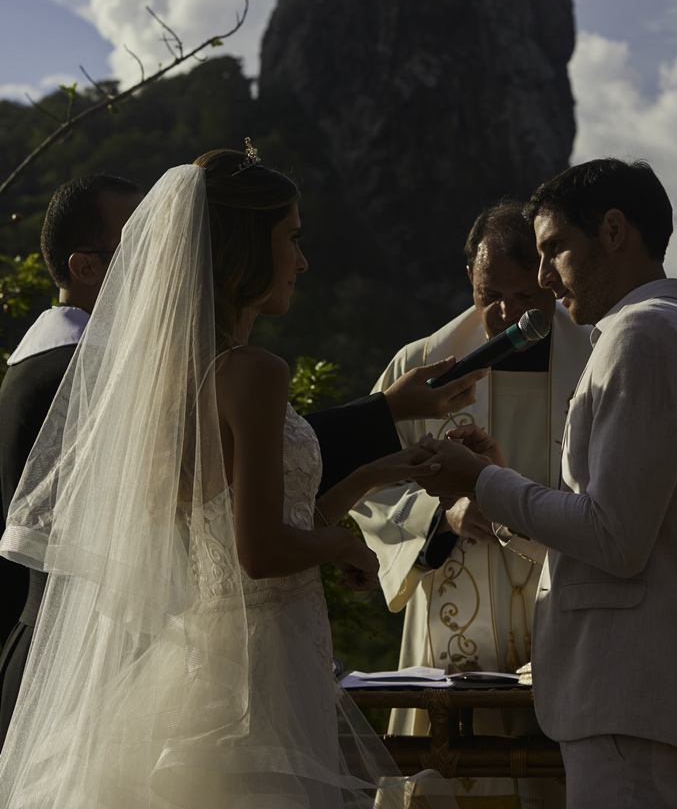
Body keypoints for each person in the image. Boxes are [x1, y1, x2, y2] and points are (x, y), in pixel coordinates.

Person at [0, 147, 458, 808]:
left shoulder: (178, 381)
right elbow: (261, 551)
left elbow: (240, 525)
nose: (301, 262)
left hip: (207, 657)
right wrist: (344, 547)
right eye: (292, 240)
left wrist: (376, 474)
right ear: (247, 248)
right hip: (259, 672)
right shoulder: (254, 372)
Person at [412, 159, 677, 809]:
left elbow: (614, 539)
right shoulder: (668, 331)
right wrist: (503, 486)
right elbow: (613, 549)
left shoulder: (644, 337)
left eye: (554, 249)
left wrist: (482, 483)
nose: (542, 278)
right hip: (641, 697)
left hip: (633, 696)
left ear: (615, 231)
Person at [350, 200, 592, 809]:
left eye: (523, 297)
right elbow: (364, 482)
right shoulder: (421, 369)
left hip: (562, 620)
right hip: (449, 637)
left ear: (549, 281)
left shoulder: (596, 366)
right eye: (490, 296)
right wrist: (443, 516)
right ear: (469, 281)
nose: (507, 315)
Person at [0, 174, 142, 738]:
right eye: (139, 245)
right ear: (86, 267)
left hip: (34, 653)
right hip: (73, 679)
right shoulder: (80, 373)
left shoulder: (35, 365)